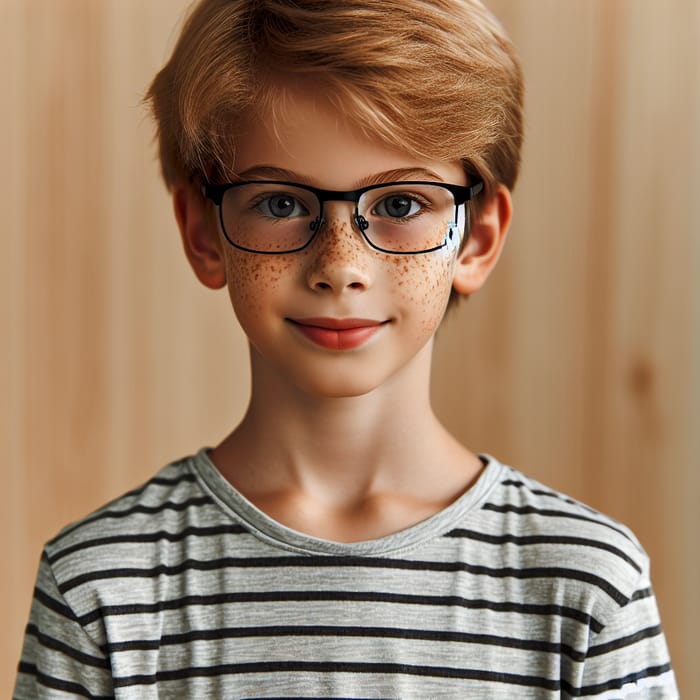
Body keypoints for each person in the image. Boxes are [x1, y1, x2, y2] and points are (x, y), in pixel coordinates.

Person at [14, 0, 678, 697]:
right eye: (279, 202)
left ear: (476, 239)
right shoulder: (101, 585)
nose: (340, 264)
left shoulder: (588, 585)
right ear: (203, 232)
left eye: (399, 205)